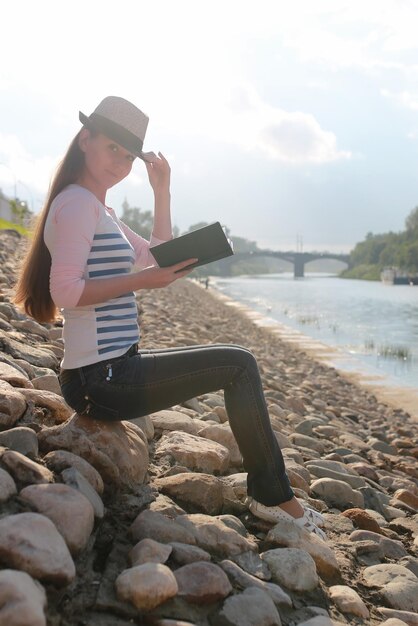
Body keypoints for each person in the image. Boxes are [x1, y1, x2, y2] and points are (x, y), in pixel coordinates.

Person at [14, 96, 325, 539]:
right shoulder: (79, 206)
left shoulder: (100, 209)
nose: (120, 163)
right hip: (98, 381)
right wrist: (143, 282)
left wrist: (162, 191)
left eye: (128, 156)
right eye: (112, 149)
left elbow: (156, 254)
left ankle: (272, 494)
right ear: (86, 139)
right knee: (239, 365)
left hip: (110, 370)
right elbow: (65, 292)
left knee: (238, 362)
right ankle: (274, 498)